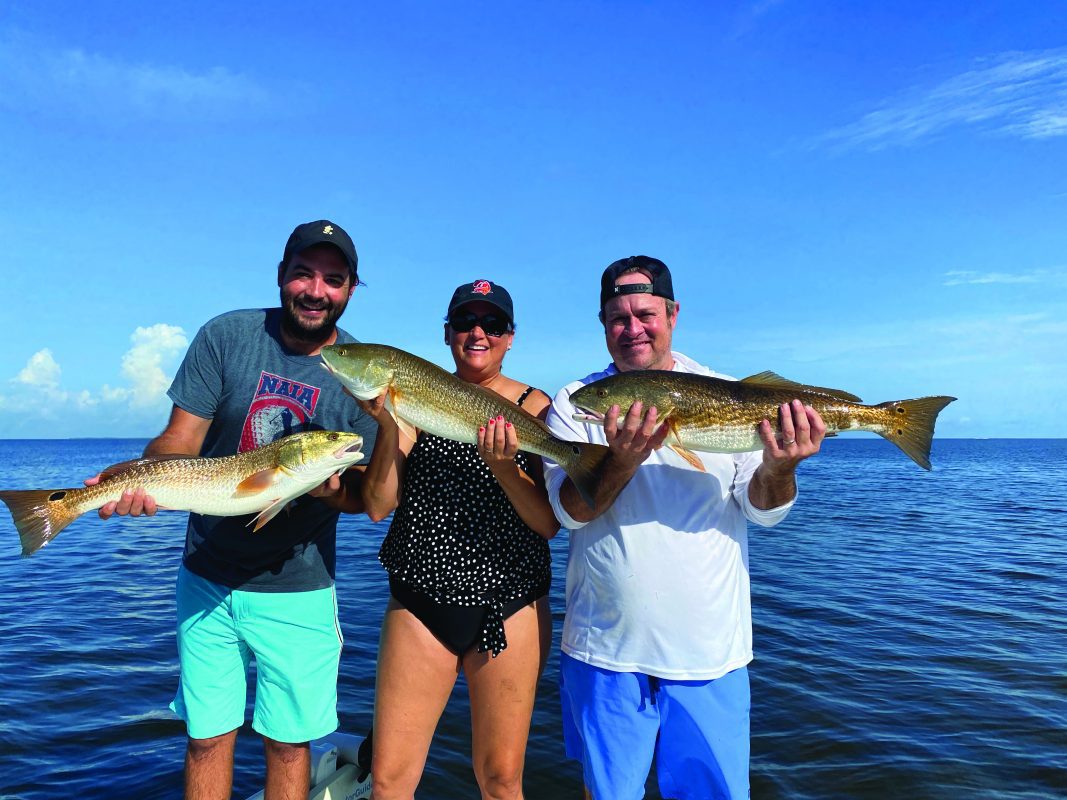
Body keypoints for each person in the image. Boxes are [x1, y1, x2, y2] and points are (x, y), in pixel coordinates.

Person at [92, 220, 378, 800]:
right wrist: (141, 479)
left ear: (350, 289)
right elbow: (179, 441)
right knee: (205, 736)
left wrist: (327, 489)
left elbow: (366, 498)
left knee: (289, 744)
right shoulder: (227, 336)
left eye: (333, 279)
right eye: (303, 273)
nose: (316, 290)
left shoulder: (361, 371)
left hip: (298, 587)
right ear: (281, 276)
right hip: (205, 577)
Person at [543, 256, 825, 800]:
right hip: (604, 651)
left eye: (645, 314)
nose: (633, 329)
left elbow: (763, 510)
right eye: (618, 318)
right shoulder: (577, 403)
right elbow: (568, 512)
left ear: (673, 314)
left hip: (709, 655)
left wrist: (782, 465)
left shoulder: (729, 394)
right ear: (603, 325)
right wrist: (621, 460)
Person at [358, 279, 558, 800]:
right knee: (388, 780)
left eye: (492, 324)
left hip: (507, 604)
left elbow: (548, 524)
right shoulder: (416, 396)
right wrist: (387, 422)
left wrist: (506, 470)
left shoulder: (535, 406)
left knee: (500, 780)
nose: (478, 333)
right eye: (466, 322)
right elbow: (379, 505)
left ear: (510, 336)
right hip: (420, 599)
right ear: (447, 333)